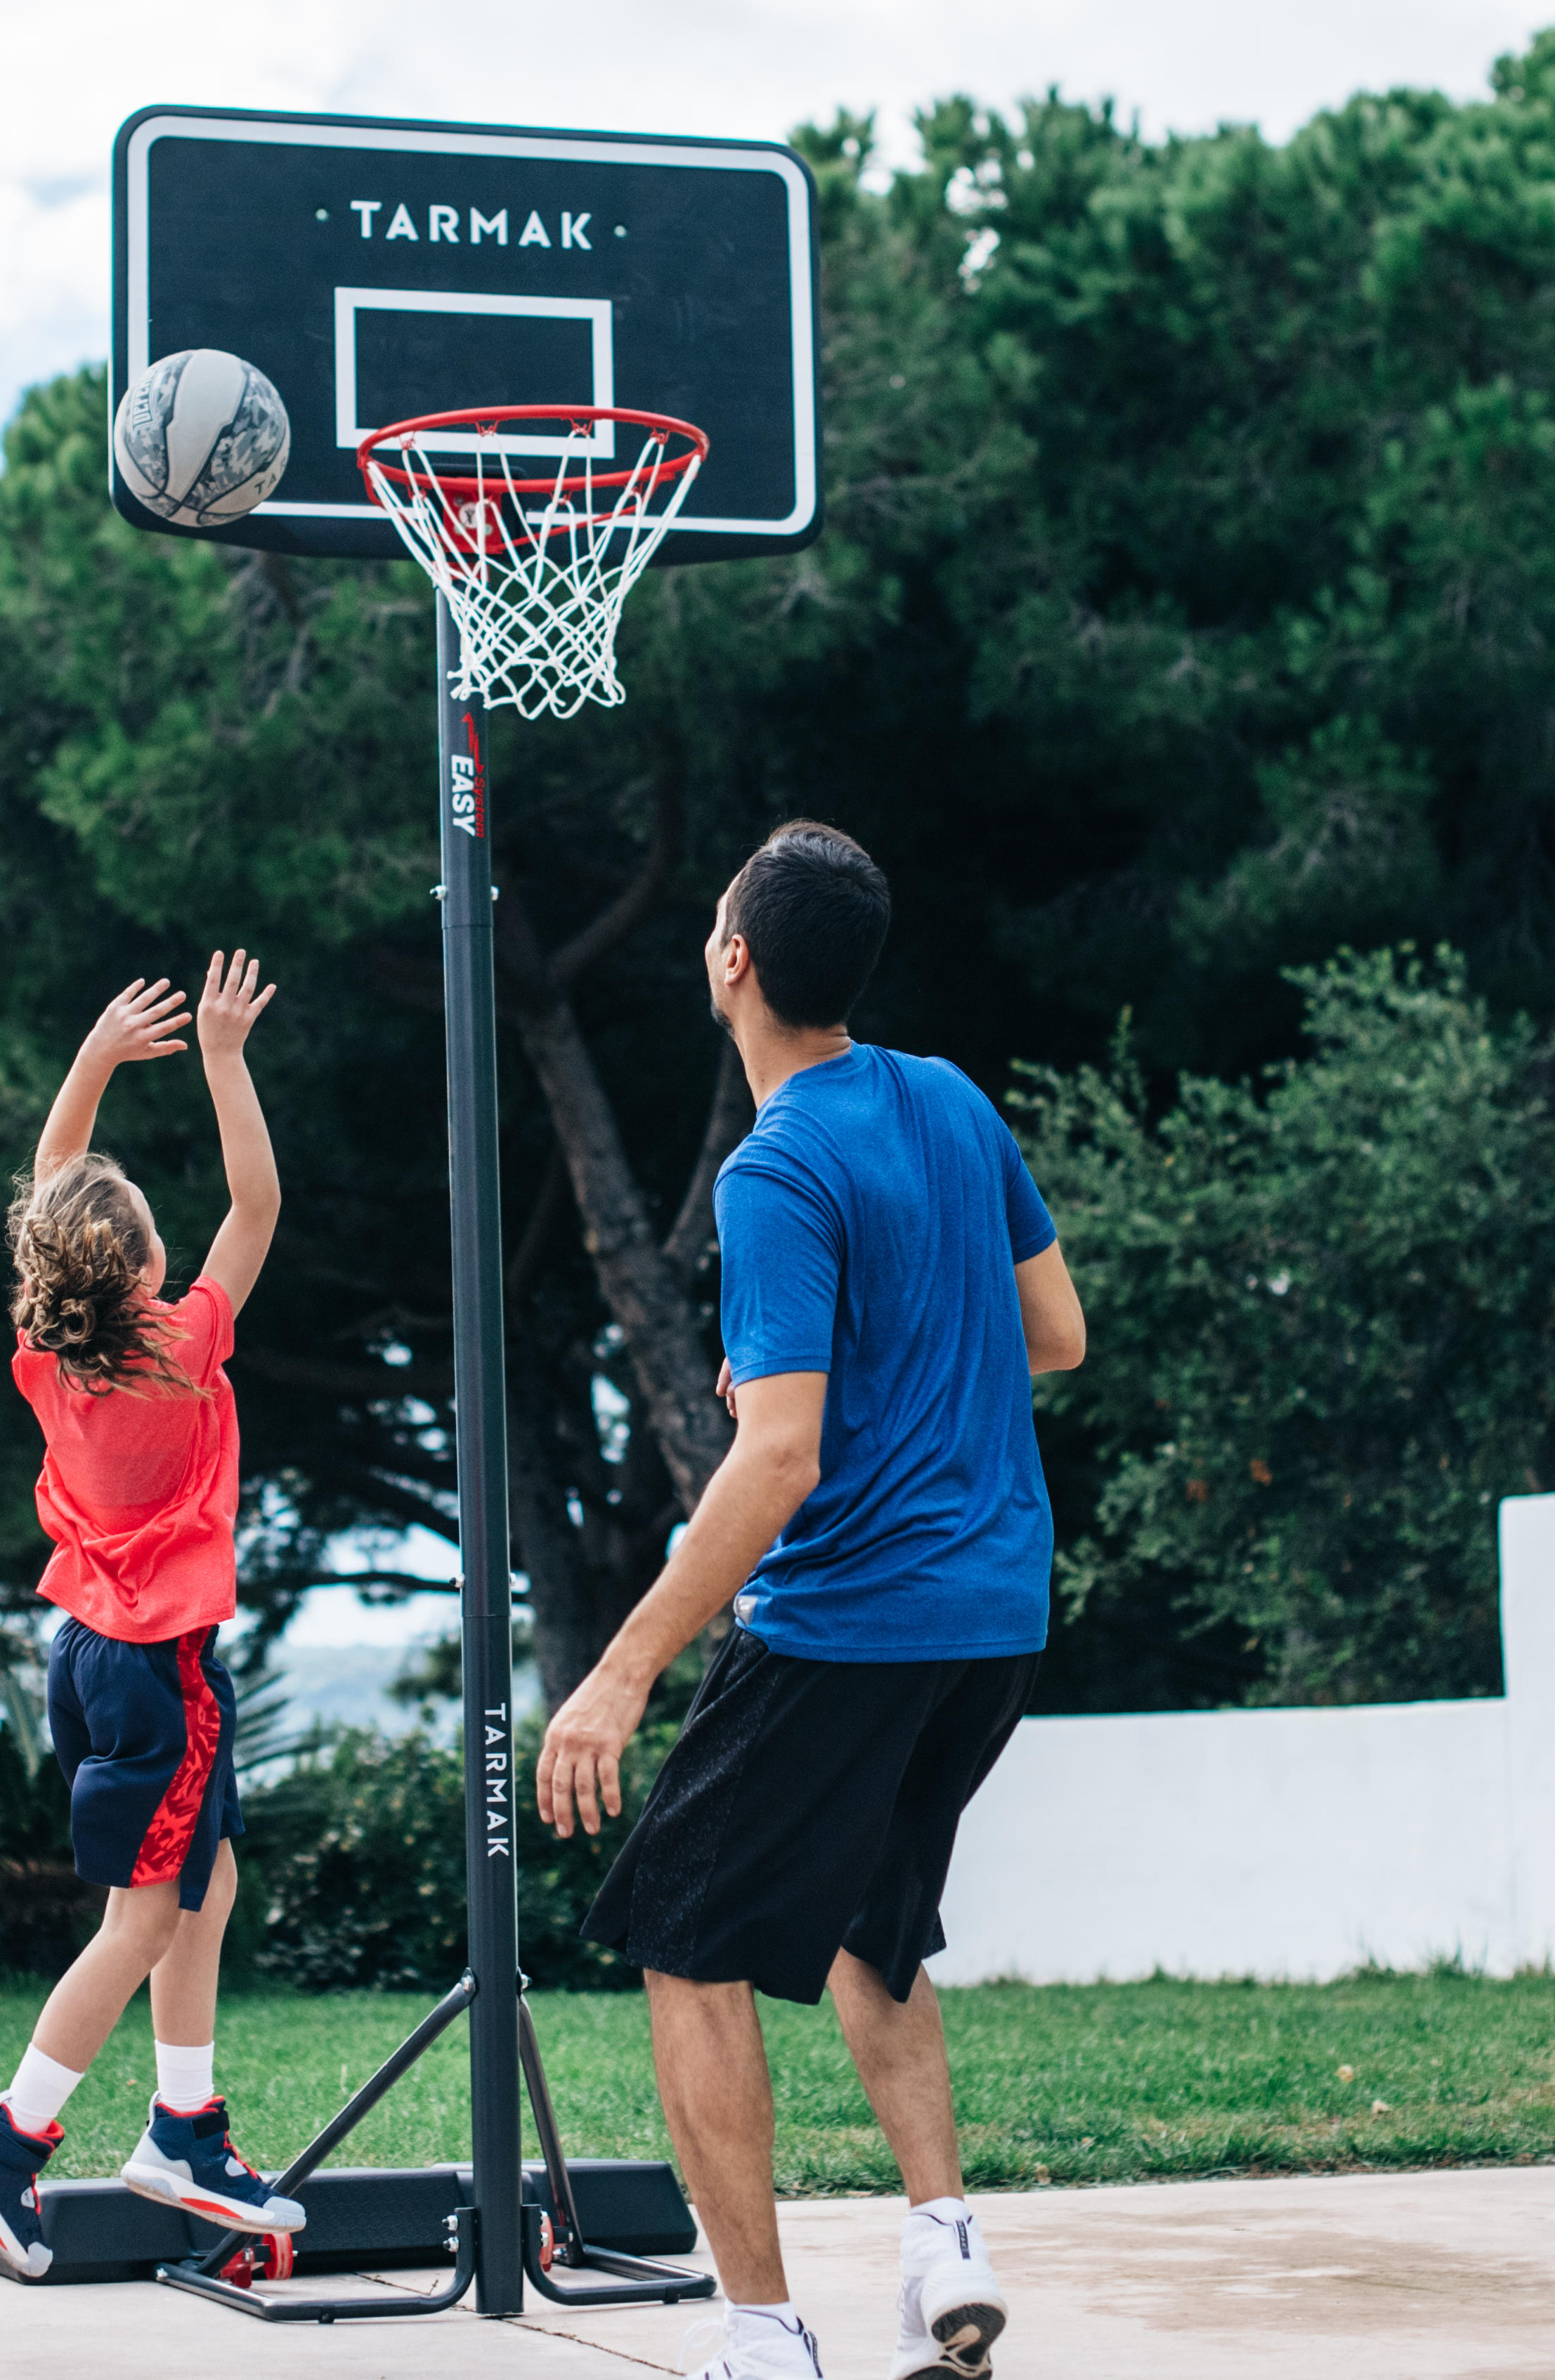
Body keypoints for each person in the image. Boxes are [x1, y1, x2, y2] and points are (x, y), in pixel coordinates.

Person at [540, 823, 1086, 2380]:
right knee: (877, 1922)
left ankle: (765, 2334)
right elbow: (1055, 1330)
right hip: (995, 1610)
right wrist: (860, 1351)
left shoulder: (775, 1167)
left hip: (854, 1614)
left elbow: (777, 1459)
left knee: (682, 1938)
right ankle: (942, 2247)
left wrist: (624, 1666)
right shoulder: (953, 1100)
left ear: (732, 959)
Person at [0, 950, 307, 2277]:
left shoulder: (48, 1358)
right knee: (143, 1919)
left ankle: (186, 2124)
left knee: (206, 1883)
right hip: (160, 1672)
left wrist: (92, 1060)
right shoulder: (180, 1347)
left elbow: (51, 1190)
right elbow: (255, 1204)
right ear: (146, 1262)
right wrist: (220, 1059)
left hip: (93, 1655)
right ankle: (11, 2141)